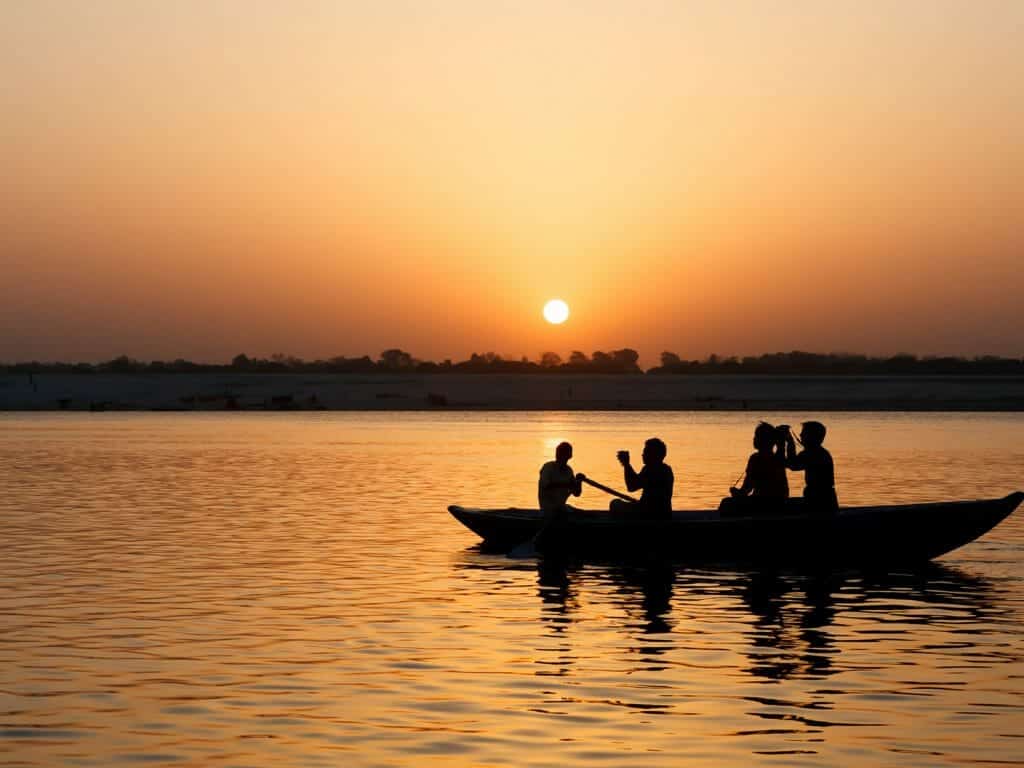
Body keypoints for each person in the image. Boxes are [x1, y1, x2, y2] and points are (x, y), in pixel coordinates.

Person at [722, 422, 789, 515]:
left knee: (726, 503)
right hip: (779, 502)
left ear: (762, 440)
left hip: (762, 503)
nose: (754, 439)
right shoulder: (778, 457)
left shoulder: (756, 458)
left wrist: (736, 493)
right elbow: (781, 447)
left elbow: (747, 488)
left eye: (757, 436)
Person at [781, 421, 838, 514]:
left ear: (812, 437)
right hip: (824, 497)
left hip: (819, 499)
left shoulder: (813, 453)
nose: (800, 435)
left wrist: (789, 442)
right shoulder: (819, 452)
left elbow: (792, 465)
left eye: (804, 433)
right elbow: (792, 463)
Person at [610, 437, 674, 520]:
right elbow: (635, 483)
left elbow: (631, 486)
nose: (642, 454)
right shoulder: (667, 469)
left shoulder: (650, 469)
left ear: (653, 454)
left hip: (646, 513)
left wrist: (626, 464)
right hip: (664, 513)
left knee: (615, 503)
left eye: (645, 452)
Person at [535, 442, 584, 546]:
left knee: (586, 515)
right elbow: (546, 486)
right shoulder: (548, 468)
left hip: (562, 509)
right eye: (561, 453)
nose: (562, 456)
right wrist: (566, 484)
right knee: (565, 517)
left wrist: (579, 482)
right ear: (557, 454)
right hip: (548, 511)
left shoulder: (569, 470)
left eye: (566, 453)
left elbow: (576, 493)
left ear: (570, 456)